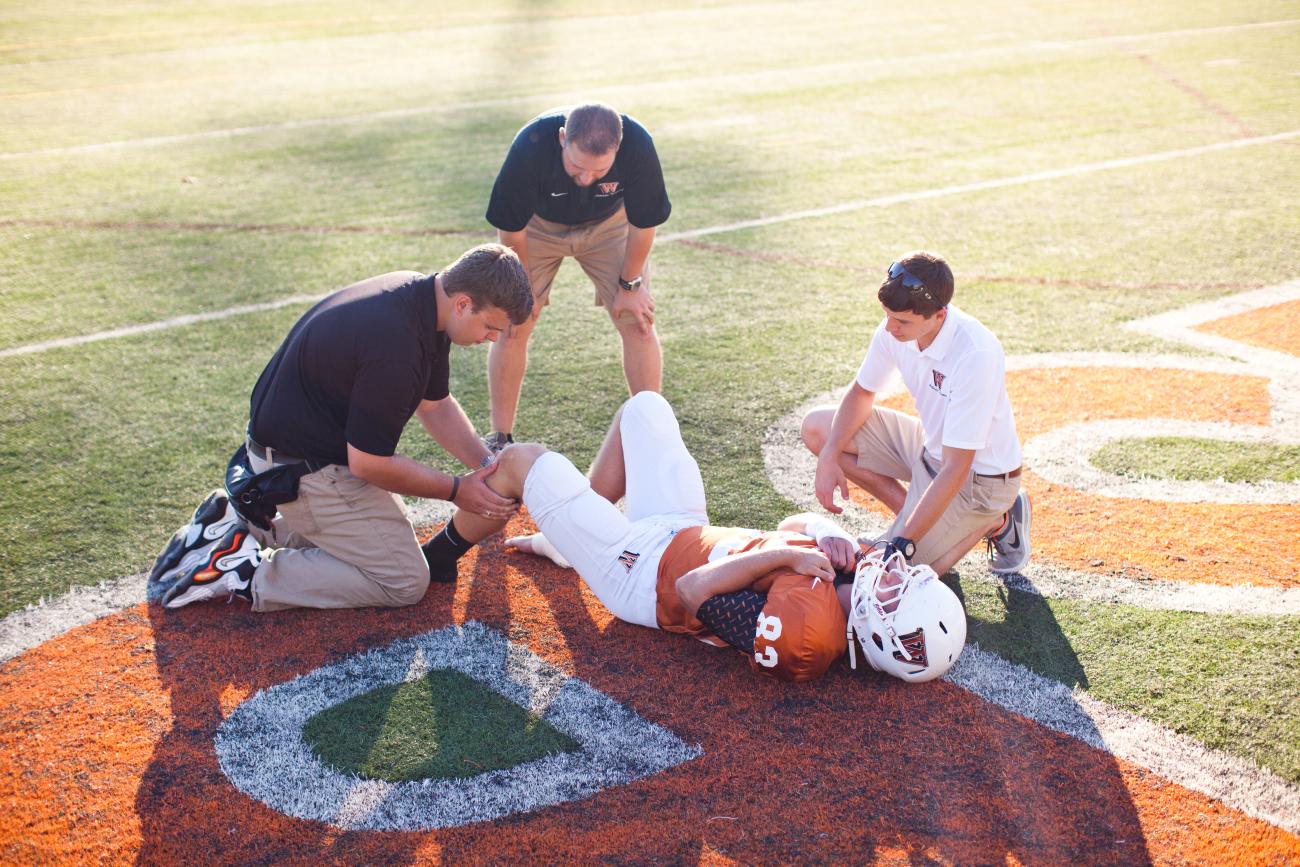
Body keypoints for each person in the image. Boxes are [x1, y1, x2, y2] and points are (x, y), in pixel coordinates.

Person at [151, 244, 534, 612]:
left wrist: (489, 465)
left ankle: (240, 525)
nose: (493, 339)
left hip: (296, 454)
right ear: (463, 303)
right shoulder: (395, 345)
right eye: (490, 326)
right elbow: (369, 463)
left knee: (385, 537)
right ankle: (242, 573)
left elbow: (435, 406)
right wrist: (457, 490)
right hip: (302, 469)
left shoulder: (421, 294)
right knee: (403, 578)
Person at [425, 391, 857, 682]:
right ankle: (569, 536)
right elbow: (792, 526)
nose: (887, 580)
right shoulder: (854, 568)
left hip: (638, 574)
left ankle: (440, 555)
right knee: (645, 407)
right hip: (682, 527)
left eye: (890, 596)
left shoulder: (810, 631)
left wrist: (782, 557)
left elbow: (694, 589)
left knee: (520, 461)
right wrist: (825, 531)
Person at [800, 251, 1031, 577]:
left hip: (979, 480)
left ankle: (998, 521)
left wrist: (903, 544)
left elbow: (955, 468)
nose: (890, 328)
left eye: (902, 321)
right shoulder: (896, 327)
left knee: (898, 573)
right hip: (930, 448)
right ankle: (916, 521)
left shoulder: (976, 354)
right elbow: (862, 392)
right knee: (818, 429)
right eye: (888, 316)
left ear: (939, 315)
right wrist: (829, 455)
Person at [481, 103, 672, 452]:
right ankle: (500, 438)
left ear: (618, 148)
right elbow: (511, 229)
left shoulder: (638, 146)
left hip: (608, 226)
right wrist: (522, 290)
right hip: (537, 229)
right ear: (562, 138)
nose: (586, 179)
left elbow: (644, 225)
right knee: (513, 322)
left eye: (599, 171)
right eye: (577, 167)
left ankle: (654, 433)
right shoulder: (531, 146)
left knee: (638, 319)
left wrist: (630, 286)